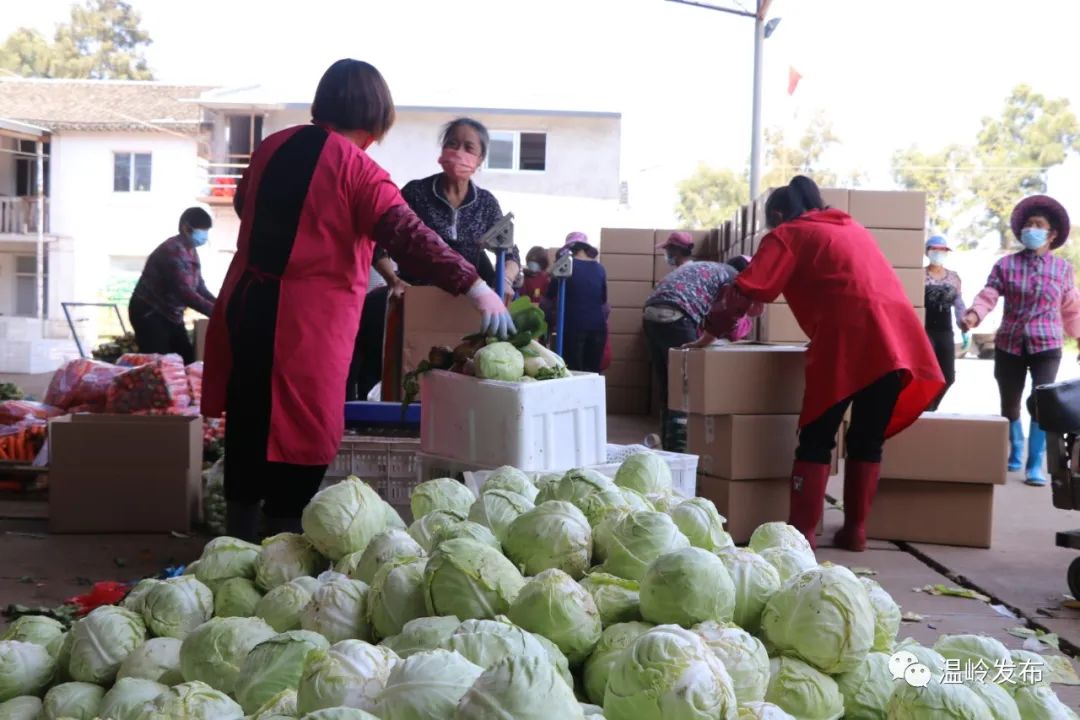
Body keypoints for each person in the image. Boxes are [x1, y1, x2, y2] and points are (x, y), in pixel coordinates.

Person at [202, 59, 514, 540]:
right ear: (376, 115)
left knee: (248, 423)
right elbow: (410, 236)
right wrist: (476, 287)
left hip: (246, 306)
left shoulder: (270, 147)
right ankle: (278, 544)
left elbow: (246, 206)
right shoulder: (357, 170)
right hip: (305, 324)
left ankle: (233, 543)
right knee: (300, 432)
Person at [703, 176, 944, 552]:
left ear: (779, 214)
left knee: (816, 439)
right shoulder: (851, 228)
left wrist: (707, 335)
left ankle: (802, 536)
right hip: (896, 338)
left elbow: (745, 291)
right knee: (867, 438)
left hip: (848, 339)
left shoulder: (790, 233)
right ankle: (856, 532)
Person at [354, 117, 520, 400]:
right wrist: (393, 279)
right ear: (442, 151)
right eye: (452, 144)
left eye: (469, 147)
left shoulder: (486, 203)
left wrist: (504, 279)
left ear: (480, 160)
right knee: (374, 324)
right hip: (415, 294)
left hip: (467, 300)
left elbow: (511, 252)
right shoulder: (416, 192)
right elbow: (378, 243)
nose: (458, 152)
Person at [964, 195, 1080, 486]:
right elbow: (988, 294)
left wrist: (1079, 338)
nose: (1031, 229)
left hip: (1047, 345)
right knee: (1010, 404)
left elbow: (1071, 308)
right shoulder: (1006, 265)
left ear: (1051, 234)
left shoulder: (1063, 270)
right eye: (1028, 225)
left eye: (1038, 225)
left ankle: (1034, 464)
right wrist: (974, 315)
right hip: (1009, 343)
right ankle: (1015, 452)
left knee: (1042, 402)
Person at [644, 253, 753, 450]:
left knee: (669, 386)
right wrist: (704, 342)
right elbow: (725, 319)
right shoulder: (733, 280)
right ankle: (679, 454)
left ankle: (668, 450)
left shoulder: (711, 270)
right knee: (686, 389)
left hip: (651, 313)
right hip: (678, 315)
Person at [128, 207, 217, 364]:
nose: (204, 236)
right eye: (202, 230)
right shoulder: (172, 251)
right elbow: (186, 293)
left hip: (170, 315)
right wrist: (217, 314)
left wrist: (221, 306)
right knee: (159, 365)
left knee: (186, 359)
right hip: (150, 312)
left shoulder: (191, 251)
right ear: (185, 227)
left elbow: (199, 287)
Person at [545, 233, 607, 372]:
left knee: (573, 372)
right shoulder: (600, 269)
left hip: (574, 327)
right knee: (593, 373)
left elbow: (548, 299)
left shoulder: (563, 266)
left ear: (570, 249)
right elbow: (603, 301)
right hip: (598, 328)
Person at [923, 235, 968, 410]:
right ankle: (923, 408)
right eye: (935, 250)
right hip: (925, 329)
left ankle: (932, 407)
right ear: (927, 251)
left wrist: (964, 323)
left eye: (942, 250)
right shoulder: (920, 275)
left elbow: (958, 303)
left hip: (945, 330)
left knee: (948, 376)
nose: (938, 253)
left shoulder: (954, 277)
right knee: (928, 373)